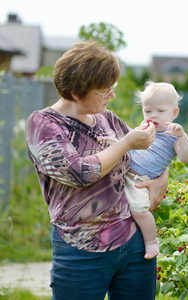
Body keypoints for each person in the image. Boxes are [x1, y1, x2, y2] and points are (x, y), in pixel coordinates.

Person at [25, 41, 168, 300]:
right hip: (81, 249)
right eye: (104, 92)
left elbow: (148, 154)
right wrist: (126, 144)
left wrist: (162, 178)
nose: (111, 96)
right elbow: (78, 173)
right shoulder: (43, 123)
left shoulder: (108, 119)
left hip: (134, 243)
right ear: (77, 93)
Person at [125, 81, 188, 259]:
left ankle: (151, 241)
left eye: (160, 111)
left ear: (174, 113)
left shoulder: (173, 137)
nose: (153, 116)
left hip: (140, 181)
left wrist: (183, 136)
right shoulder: (145, 127)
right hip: (124, 171)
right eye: (148, 111)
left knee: (139, 210)